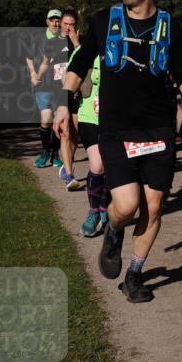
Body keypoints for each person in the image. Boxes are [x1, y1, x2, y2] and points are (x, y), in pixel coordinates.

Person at [54, 0, 182, 303]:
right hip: (116, 130)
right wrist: (63, 103)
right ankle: (113, 228)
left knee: (154, 206)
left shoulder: (170, 26)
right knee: (126, 205)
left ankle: (134, 274)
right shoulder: (104, 20)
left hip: (158, 130)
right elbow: (79, 63)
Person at [71, 47, 110, 237]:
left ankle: (104, 208)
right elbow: (69, 79)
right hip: (89, 116)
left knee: (110, 166)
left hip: (115, 118)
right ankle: (93, 212)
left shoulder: (123, 48)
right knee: (98, 164)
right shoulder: (84, 50)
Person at [26, 10, 65, 168]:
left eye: (57, 20)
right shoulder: (38, 39)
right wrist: (32, 73)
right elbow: (29, 57)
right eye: (52, 20)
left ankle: (55, 154)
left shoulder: (65, 38)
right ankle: (45, 151)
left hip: (61, 86)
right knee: (46, 119)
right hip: (43, 84)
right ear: (47, 22)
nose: (55, 23)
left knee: (58, 120)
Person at [56, 6, 82, 190]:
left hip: (77, 94)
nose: (67, 27)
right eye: (65, 24)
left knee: (75, 134)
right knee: (65, 132)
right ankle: (69, 175)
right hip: (58, 92)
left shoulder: (81, 41)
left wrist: (76, 42)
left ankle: (67, 164)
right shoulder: (52, 43)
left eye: (71, 24)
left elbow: (86, 62)